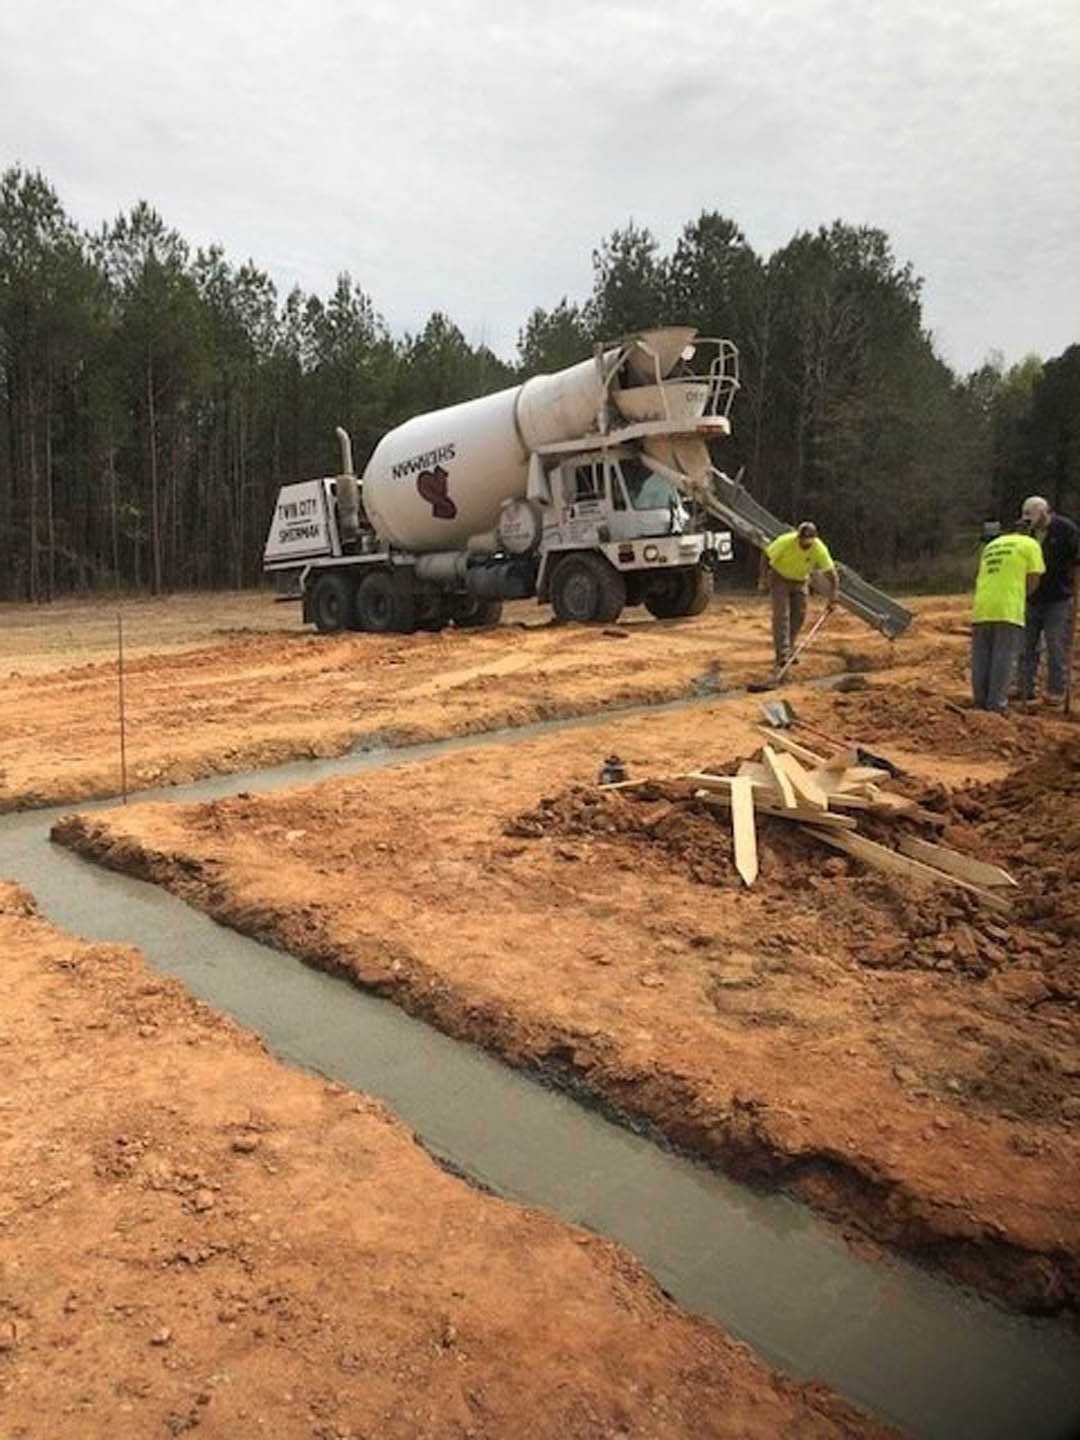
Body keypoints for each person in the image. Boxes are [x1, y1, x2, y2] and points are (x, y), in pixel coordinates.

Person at [971, 520, 1045, 711]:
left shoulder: (992, 545)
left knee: (982, 657)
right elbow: (1034, 578)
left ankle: (980, 701)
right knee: (1004, 657)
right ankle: (996, 705)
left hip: (982, 607)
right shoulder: (1030, 545)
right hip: (1008, 608)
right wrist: (1023, 596)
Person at [1016, 495, 1079, 704]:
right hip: (1032, 597)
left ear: (1044, 512)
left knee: (1056, 644)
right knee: (1026, 644)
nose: (1027, 519)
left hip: (1058, 597)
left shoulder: (1066, 529)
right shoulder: (1026, 532)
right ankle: (1025, 687)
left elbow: (1076, 559)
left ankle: (1056, 690)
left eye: (1031, 515)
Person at [759, 522, 839, 674]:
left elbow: (831, 574)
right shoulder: (786, 541)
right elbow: (766, 555)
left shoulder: (819, 549)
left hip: (800, 581)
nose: (804, 543)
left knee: (800, 615)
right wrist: (762, 579)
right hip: (779, 578)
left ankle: (789, 648)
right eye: (802, 539)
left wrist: (833, 596)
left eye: (808, 540)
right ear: (798, 536)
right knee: (781, 615)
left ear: (814, 539)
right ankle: (782, 655)